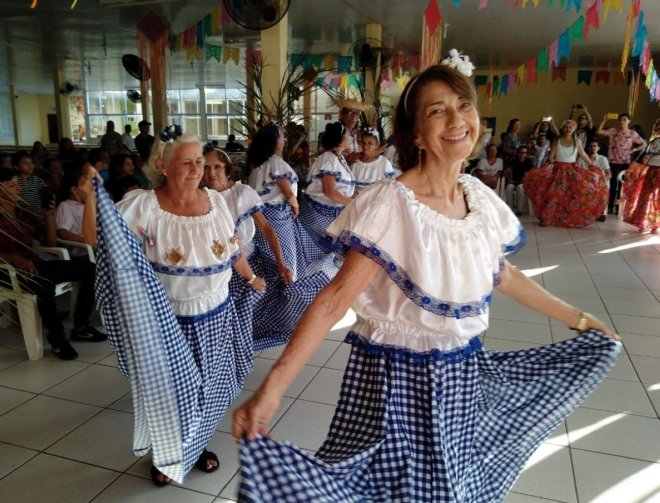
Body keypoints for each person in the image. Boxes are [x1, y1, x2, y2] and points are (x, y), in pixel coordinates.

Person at [232, 62, 620, 502]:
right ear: (415, 134)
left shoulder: (478, 199)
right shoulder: (391, 204)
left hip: (462, 377)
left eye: (463, 105)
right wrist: (271, 389)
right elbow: (333, 299)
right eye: (437, 111)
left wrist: (581, 319)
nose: (457, 120)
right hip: (396, 383)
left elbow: (502, 275)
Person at [95, 126, 265, 486]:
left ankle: (196, 444)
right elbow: (98, 237)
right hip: (167, 321)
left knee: (210, 389)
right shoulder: (144, 205)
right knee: (170, 392)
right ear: (163, 166)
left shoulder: (216, 202)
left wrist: (251, 279)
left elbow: (232, 249)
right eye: (186, 162)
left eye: (199, 162)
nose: (196, 169)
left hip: (217, 316)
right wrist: (88, 195)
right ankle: (166, 455)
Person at [0, 166, 105, 360]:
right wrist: (14, 258)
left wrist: (48, 217)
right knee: (44, 284)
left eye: (17, 185)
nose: (18, 189)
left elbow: (49, 243)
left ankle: (81, 326)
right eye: (12, 186)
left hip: (34, 263)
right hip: (7, 271)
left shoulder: (22, 212)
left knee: (90, 269)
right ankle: (58, 340)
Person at [525, 119, 608, 227]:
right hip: (558, 170)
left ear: (574, 129)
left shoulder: (577, 141)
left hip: (572, 170)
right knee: (553, 194)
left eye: (570, 127)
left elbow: (582, 154)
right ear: (563, 128)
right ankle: (547, 217)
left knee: (573, 195)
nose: (568, 129)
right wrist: (551, 162)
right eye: (566, 127)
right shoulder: (557, 140)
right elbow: (551, 155)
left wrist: (591, 164)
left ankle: (571, 218)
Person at [299, 121, 355, 252]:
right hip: (319, 217)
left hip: (330, 216)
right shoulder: (328, 159)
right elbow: (329, 192)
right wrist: (353, 203)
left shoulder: (338, 157)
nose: (350, 138)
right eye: (347, 136)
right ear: (340, 141)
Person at [596, 113, 646, 214]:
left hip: (625, 162)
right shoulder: (613, 131)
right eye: (620, 120)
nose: (621, 122)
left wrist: (634, 149)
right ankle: (610, 206)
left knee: (622, 185)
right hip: (612, 161)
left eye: (624, 120)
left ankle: (619, 207)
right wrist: (604, 120)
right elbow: (599, 132)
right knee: (612, 184)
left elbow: (643, 144)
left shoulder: (632, 133)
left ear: (629, 121)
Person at [621, 118, 660, 234]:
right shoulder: (653, 141)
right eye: (657, 126)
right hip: (650, 170)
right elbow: (646, 157)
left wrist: (652, 157)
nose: (658, 129)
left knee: (657, 198)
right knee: (645, 196)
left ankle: (656, 224)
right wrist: (647, 159)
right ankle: (644, 223)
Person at [349, 125, 395, 193]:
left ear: (377, 145)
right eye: (363, 143)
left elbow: (390, 188)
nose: (365, 146)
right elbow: (350, 188)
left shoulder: (384, 163)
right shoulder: (355, 163)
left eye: (370, 143)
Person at [580, 139, 612, 222]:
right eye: (591, 146)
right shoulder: (581, 158)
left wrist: (601, 181)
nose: (593, 148)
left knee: (599, 189)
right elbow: (578, 172)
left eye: (595, 146)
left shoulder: (602, 159)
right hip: (586, 182)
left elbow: (609, 174)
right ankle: (586, 213)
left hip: (599, 182)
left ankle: (597, 213)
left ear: (598, 148)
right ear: (588, 148)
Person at [337, 98, 368, 165]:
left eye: (357, 114)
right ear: (341, 114)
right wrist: (347, 161)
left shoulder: (358, 134)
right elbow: (326, 162)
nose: (354, 118)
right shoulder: (334, 134)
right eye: (350, 113)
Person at [504, 145, 533, 215]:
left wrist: (524, 181)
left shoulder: (529, 162)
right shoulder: (513, 161)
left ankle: (519, 210)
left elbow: (531, 175)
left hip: (523, 182)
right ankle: (510, 210)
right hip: (513, 181)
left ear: (526, 154)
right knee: (509, 188)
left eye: (524, 153)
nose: (522, 154)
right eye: (521, 152)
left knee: (520, 187)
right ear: (518, 153)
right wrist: (509, 179)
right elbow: (506, 172)